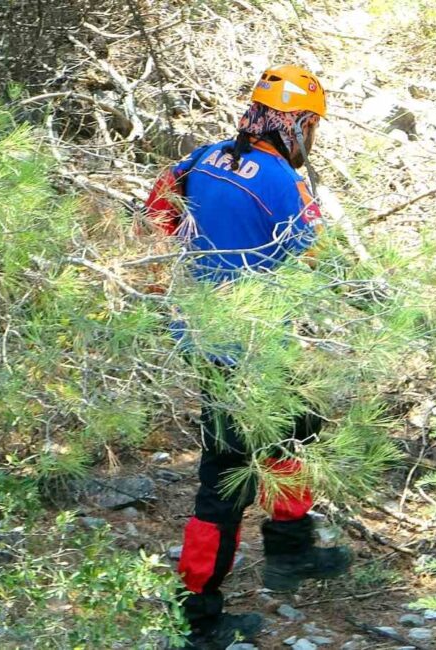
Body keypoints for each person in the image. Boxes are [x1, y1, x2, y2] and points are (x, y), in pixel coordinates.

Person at [144, 65, 353, 650]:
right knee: (225, 477)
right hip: (249, 345)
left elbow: (159, 212)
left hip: (209, 336)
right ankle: (197, 618)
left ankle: (290, 550)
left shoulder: (202, 158)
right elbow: (314, 261)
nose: (312, 138)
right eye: (311, 126)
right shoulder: (286, 182)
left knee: (296, 428)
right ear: (296, 124)